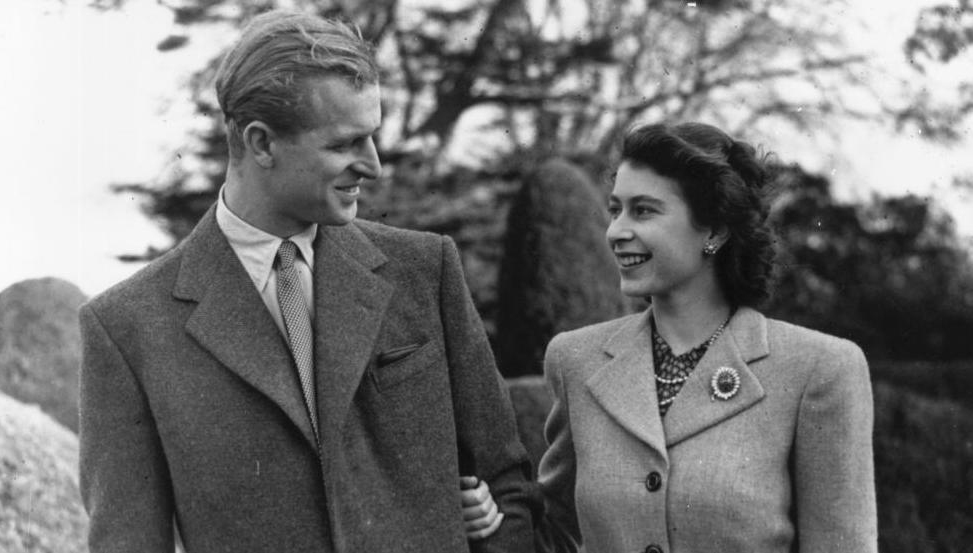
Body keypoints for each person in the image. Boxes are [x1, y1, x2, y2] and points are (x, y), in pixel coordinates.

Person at [77, 10, 537, 553]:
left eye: (373, 138)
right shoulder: (128, 327)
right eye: (345, 144)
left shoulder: (425, 269)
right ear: (261, 143)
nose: (373, 165)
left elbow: (510, 492)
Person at [467, 122, 878, 552]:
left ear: (715, 230)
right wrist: (493, 521)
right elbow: (555, 536)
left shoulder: (820, 369)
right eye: (615, 210)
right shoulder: (576, 359)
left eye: (643, 210)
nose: (616, 231)